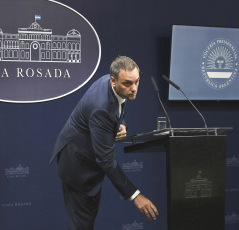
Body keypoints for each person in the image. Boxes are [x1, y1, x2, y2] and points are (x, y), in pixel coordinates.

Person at [50, 56, 158, 229]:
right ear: (113, 81)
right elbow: (106, 160)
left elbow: (119, 106)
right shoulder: (101, 108)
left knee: (86, 222)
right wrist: (136, 196)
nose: (134, 89)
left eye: (137, 82)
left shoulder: (112, 85)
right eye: (128, 84)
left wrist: (121, 124)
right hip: (77, 164)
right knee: (82, 225)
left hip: (87, 158)